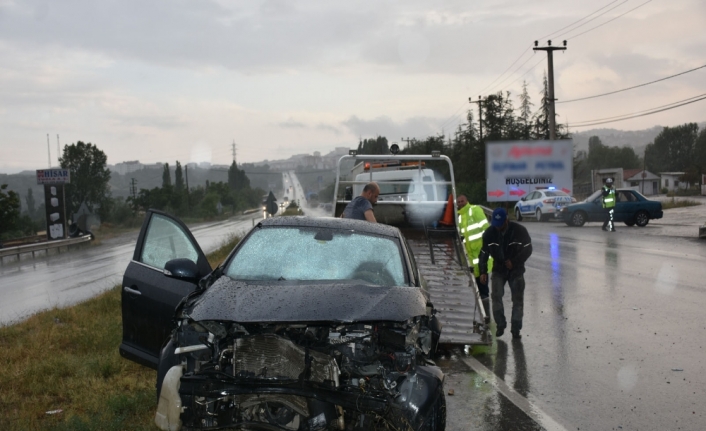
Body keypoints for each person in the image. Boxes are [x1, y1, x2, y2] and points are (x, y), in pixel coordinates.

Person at [478, 207, 533, 339]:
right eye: (496, 225)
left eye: (500, 224)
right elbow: (483, 253)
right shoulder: (489, 233)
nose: (498, 227)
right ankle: (500, 325)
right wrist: (483, 271)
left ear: (506, 221)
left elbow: (528, 249)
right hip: (499, 269)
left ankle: (516, 328)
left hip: (516, 270)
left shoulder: (519, 231)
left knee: (518, 300)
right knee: (496, 296)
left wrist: (514, 262)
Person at [456, 194, 493, 317]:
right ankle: (483, 315)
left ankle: (487, 316)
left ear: (467, 201)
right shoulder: (460, 217)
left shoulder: (475, 210)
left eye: (462, 201)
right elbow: (463, 241)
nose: (460, 203)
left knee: (483, 289)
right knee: (477, 289)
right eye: (458, 202)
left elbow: (486, 229)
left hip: (482, 257)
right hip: (473, 261)